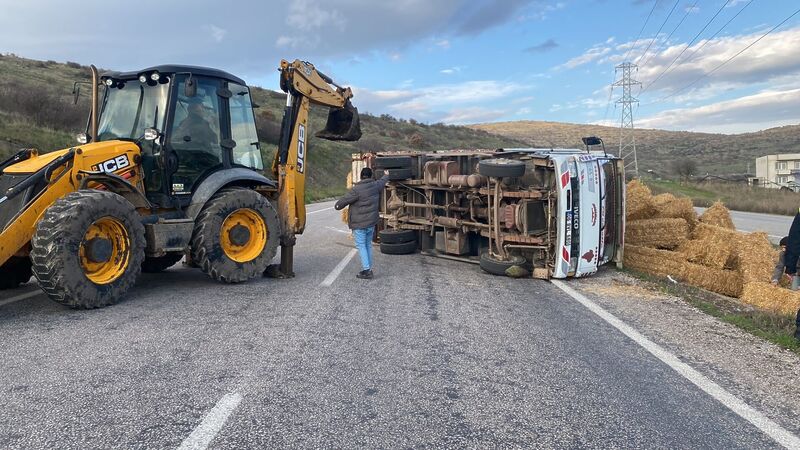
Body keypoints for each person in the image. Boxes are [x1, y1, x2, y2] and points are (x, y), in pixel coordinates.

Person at [334, 167, 389, 279]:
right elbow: (383, 181)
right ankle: (368, 268)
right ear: (370, 176)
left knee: (361, 246)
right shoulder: (375, 185)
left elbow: (343, 201)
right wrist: (386, 175)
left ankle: (367, 270)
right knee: (368, 244)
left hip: (359, 224)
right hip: (371, 223)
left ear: (361, 176)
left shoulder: (356, 189)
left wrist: (337, 206)